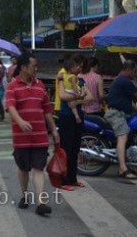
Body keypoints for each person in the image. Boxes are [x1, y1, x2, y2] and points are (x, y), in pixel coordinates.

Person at [6, 53, 59, 216]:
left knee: (38, 168)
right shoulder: (12, 86)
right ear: (23, 68)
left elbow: (47, 111)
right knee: (23, 168)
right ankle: (25, 195)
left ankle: (41, 202)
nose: (36, 69)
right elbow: (11, 107)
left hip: (40, 136)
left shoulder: (40, 85)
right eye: (33, 66)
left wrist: (54, 130)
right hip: (21, 138)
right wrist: (20, 122)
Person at [58, 55, 91, 190]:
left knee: (75, 149)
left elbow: (90, 97)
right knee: (66, 149)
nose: (80, 68)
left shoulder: (80, 80)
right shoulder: (62, 77)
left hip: (78, 116)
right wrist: (78, 97)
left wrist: (76, 100)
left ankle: (72, 178)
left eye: (81, 66)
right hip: (66, 116)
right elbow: (62, 96)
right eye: (78, 66)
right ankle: (63, 180)